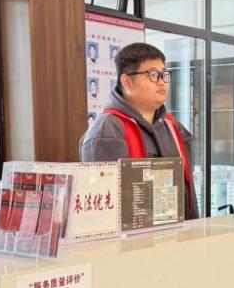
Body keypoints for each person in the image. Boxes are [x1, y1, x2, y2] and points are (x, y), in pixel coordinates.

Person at [80, 42, 198, 220]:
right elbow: (105, 211)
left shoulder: (173, 127)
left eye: (164, 74)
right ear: (127, 81)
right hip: (134, 237)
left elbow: (188, 194)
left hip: (177, 233)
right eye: (153, 75)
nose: (161, 82)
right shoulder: (108, 132)